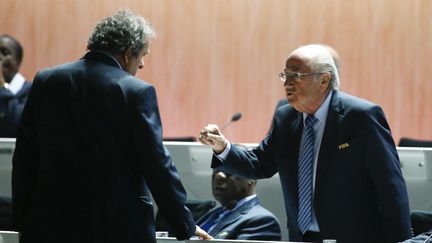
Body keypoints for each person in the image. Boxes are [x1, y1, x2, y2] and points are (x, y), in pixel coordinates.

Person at [12, 10, 212, 243]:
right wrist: (183, 224)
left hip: (49, 226)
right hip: (116, 228)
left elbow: (25, 157)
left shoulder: (46, 80)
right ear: (128, 54)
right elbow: (157, 165)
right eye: (142, 56)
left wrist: (23, 222)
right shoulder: (136, 92)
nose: (143, 64)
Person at [199, 44, 412, 242]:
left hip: (355, 237)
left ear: (324, 80)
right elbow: (260, 163)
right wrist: (222, 147)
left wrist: (403, 240)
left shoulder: (360, 117)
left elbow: (391, 187)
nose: (287, 83)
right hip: (302, 237)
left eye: (296, 75)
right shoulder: (285, 118)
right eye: (285, 75)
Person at [196, 169, 281, 240]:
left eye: (229, 168)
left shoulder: (263, 221)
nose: (219, 175)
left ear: (251, 177)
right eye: (216, 169)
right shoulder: (213, 214)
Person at [0, 34, 31, 137]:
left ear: (17, 61)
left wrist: (2, 87)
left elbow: (16, 124)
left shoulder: (31, 91)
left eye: (4, 52)